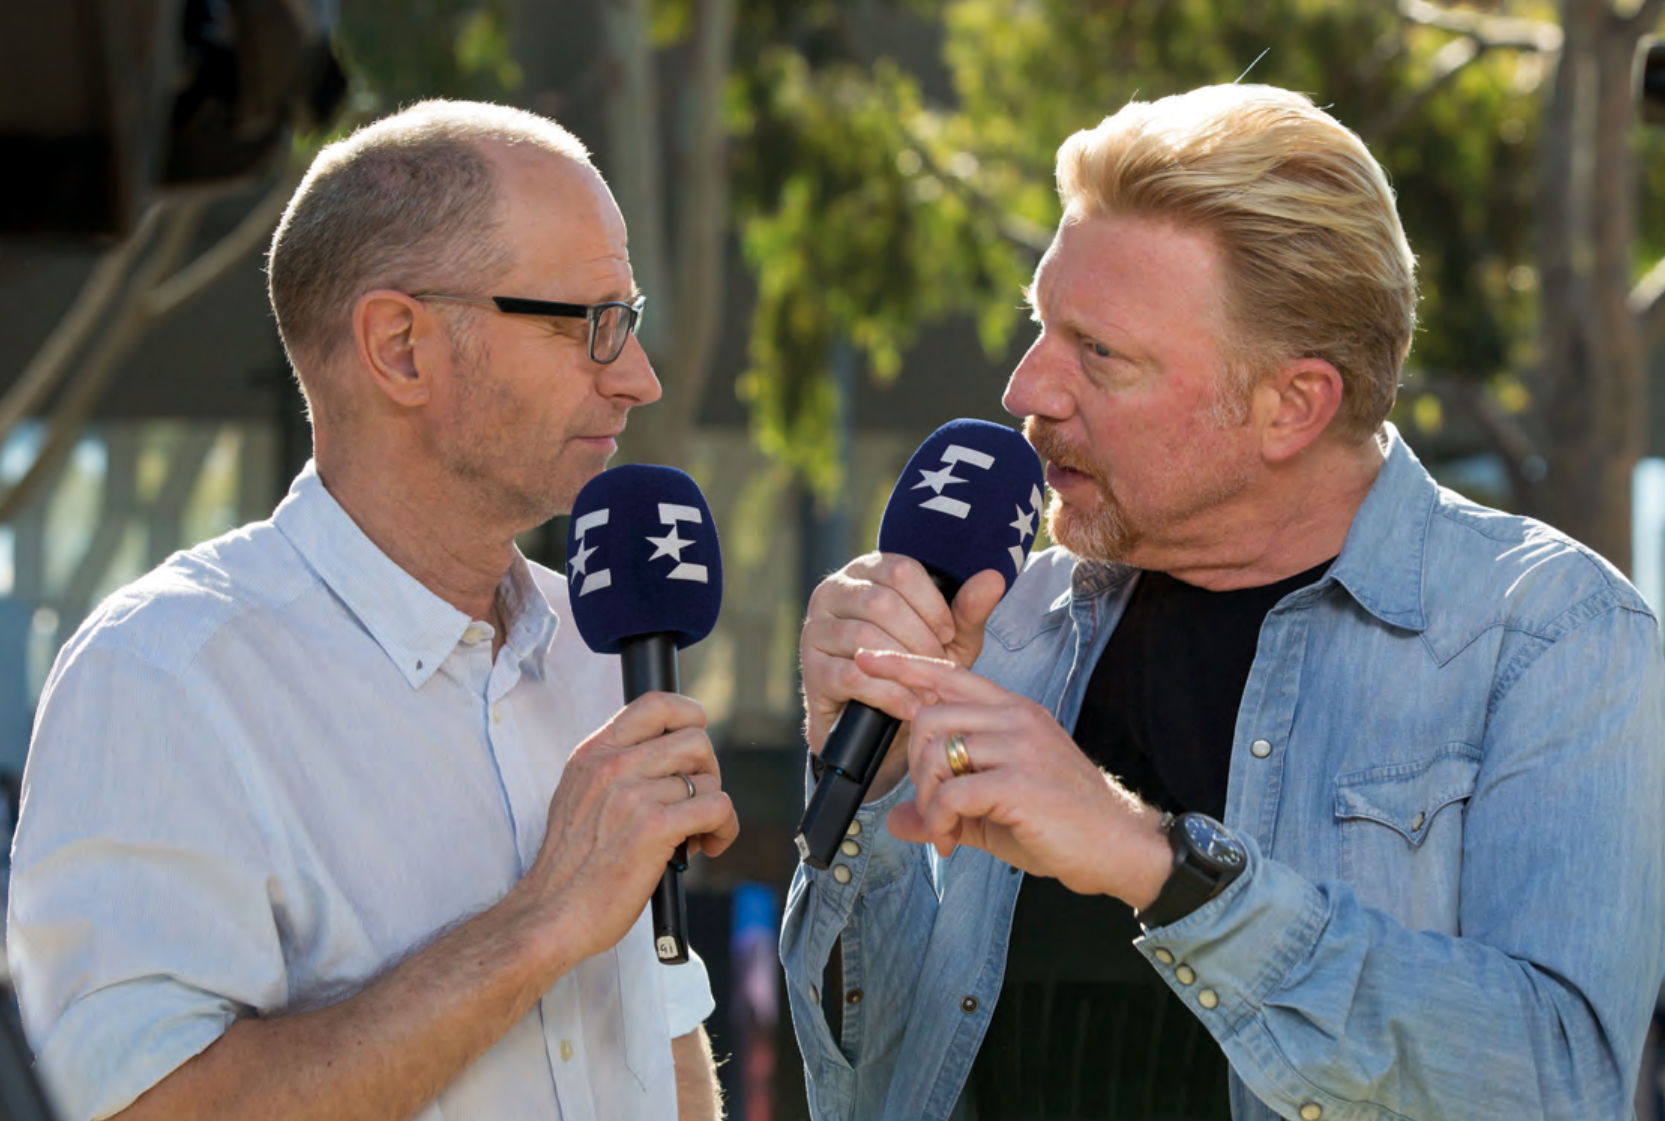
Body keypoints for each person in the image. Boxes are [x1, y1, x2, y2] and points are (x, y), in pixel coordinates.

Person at [782, 83, 1665, 1121]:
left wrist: (1157, 864)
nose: (1026, 388)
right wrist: (874, 794)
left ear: (1291, 404)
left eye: (1098, 353)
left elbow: (1562, 1085)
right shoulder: (997, 620)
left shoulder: (1547, 635)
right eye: (1041, 324)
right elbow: (865, 1088)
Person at [6, 100, 740, 1121]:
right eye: (593, 325)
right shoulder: (165, 674)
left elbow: (655, 1019)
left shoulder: (604, 642)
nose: (638, 377)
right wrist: (541, 919)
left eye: (634, 318)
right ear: (400, 346)